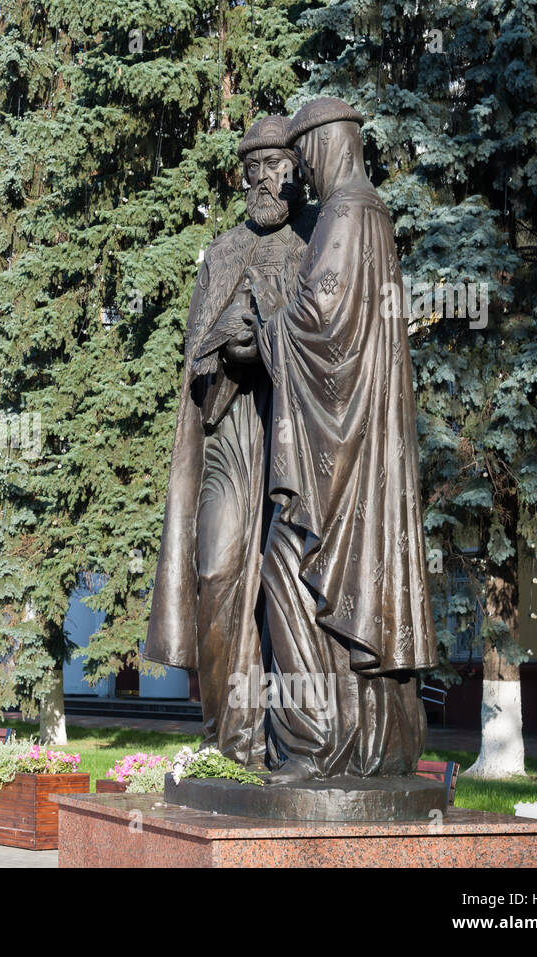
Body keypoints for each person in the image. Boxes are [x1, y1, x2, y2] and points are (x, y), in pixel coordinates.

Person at [244, 97, 438, 781]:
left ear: (327, 145)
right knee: (353, 589)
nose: (300, 176)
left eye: (304, 157)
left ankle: (315, 742)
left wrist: (265, 322)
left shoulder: (346, 211)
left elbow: (318, 315)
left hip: (338, 453)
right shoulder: (372, 211)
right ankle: (370, 742)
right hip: (358, 437)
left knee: (286, 572)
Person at [144, 115, 316, 769]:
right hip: (229, 436)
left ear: (297, 173)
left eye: (279, 167)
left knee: (288, 586)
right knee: (215, 571)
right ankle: (226, 743)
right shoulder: (219, 253)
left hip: (293, 443)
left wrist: (270, 342)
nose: (268, 180)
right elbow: (195, 357)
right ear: (242, 176)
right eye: (255, 170)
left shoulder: (315, 242)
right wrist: (228, 349)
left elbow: (331, 348)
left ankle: (285, 741)